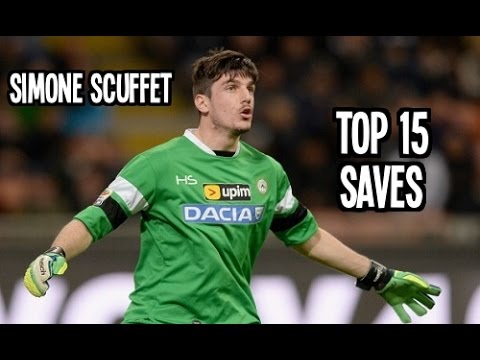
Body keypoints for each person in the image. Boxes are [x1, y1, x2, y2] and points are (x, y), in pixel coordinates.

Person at [23, 48, 441, 324]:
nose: (247, 98)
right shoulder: (157, 164)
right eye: (231, 88)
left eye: (250, 88)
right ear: (202, 102)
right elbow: (96, 217)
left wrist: (377, 275)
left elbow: (307, 237)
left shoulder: (267, 173)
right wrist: (56, 252)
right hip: (161, 319)